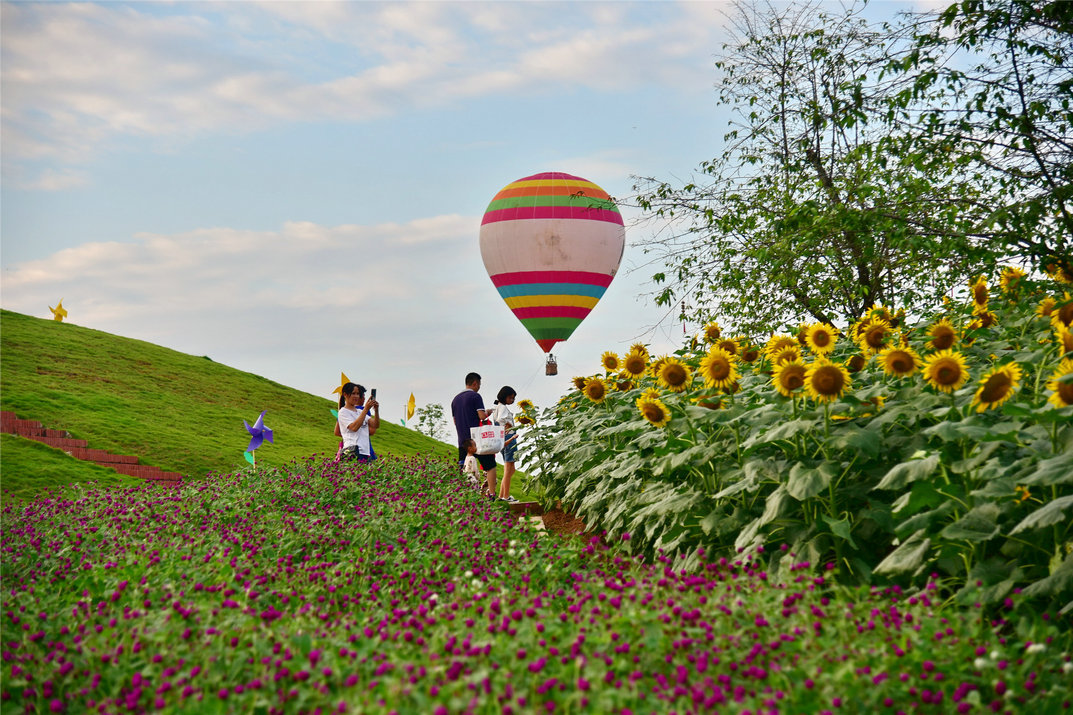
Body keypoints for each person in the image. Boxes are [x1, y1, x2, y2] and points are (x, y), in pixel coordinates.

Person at [452, 372, 496, 496]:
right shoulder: (475, 397)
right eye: (479, 385)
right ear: (475, 383)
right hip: (476, 441)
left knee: (464, 470)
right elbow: (481, 416)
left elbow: (455, 421)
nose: (479, 387)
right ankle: (491, 495)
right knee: (490, 467)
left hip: (462, 441)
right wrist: (488, 412)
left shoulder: (455, 400)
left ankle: (465, 496)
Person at [337, 382, 379, 462]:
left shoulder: (360, 411)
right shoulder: (343, 412)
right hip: (352, 450)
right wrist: (366, 409)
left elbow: (375, 425)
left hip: (365, 451)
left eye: (358, 394)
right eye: (353, 393)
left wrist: (376, 411)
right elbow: (354, 427)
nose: (356, 396)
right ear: (345, 394)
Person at [492, 386, 518, 502]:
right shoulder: (502, 408)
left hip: (503, 437)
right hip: (509, 437)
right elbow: (499, 419)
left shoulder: (498, 407)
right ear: (505, 396)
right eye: (510, 398)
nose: (512, 400)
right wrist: (508, 427)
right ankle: (506, 496)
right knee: (509, 469)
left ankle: (502, 495)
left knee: (511, 469)